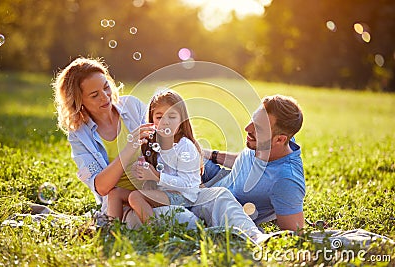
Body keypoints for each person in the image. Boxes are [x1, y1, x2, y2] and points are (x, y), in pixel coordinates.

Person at [52, 57, 265, 243]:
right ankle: (197, 229)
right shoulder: (80, 135)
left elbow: (168, 131)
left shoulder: (131, 107)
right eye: (95, 95)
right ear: (79, 101)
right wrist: (129, 148)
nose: (106, 97)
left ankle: (255, 236)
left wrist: (195, 154)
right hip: (130, 203)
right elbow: (101, 187)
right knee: (173, 218)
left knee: (219, 195)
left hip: (166, 188)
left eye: (106, 87)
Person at [202, 94, 305, 232]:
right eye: (253, 120)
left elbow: (294, 232)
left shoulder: (286, 180)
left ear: (280, 140)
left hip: (218, 206)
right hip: (217, 180)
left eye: (258, 128)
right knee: (182, 149)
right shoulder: (268, 143)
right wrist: (209, 154)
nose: (247, 128)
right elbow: (246, 162)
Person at [112, 90, 203, 223]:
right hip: (162, 193)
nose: (165, 122)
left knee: (135, 197)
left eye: (172, 117)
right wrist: (138, 170)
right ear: (152, 120)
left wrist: (156, 176)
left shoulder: (184, 146)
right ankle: (109, 231)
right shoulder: (152, 143)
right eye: (159, 117)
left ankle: (154, 231)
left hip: (183, 196)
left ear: (182, 119)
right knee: (115, 193)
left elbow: (187, 184)